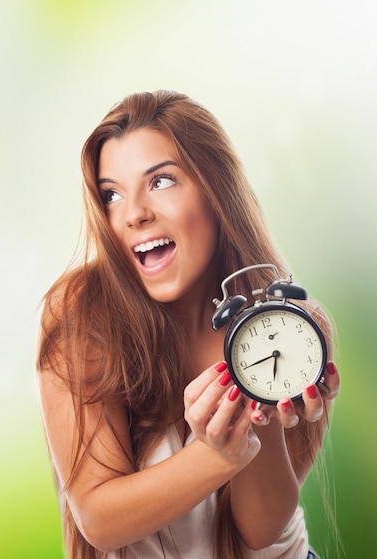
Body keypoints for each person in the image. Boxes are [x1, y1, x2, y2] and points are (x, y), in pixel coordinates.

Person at [36, 90, 340, 559]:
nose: (134, 213)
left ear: (215, 190)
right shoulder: (83, 314)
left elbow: (260, 534)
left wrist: (263, 413)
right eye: (111, 194)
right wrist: (216, 454)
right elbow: (99, 518)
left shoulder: (293, 329)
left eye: (160, 181)